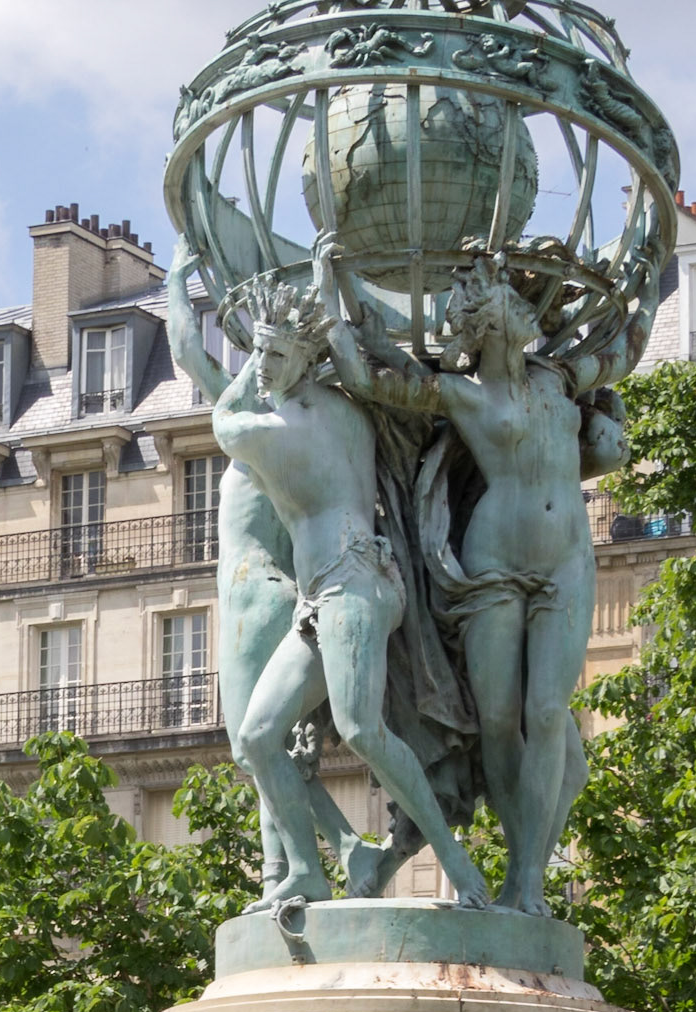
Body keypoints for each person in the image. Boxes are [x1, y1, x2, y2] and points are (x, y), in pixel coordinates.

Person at [323, 243, 652, 915]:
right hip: (491, 565)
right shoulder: (457, 392)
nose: (522, 313)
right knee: (500, 721)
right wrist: (333, 294)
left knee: (547, 714)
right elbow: (365, 377)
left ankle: (526, 879)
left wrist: (648, 276)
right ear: (488, 321)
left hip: (565, 561)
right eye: (506, 304)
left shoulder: (559, 380)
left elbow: (623, 355)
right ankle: (513, 869)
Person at [210, 268, 490, 910]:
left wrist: (250, 365)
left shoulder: (289, 430)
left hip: (354, 584)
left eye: (278, 356)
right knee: (256, 739)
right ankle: (307, 871)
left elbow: (225, 422)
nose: (265, 368)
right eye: (261, 354)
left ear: (306, 359)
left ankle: (458, 866)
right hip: (324, 598)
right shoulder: (342, 409)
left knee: (360, 729)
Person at [165, 240, 382, 902]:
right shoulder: (281, 426)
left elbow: (187, 352)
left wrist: (178, 278)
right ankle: (321, 860)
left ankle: (309, 865)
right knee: (270, 752)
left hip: (255, 597)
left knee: (253, 748)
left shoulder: (262, 429)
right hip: (279, 596)